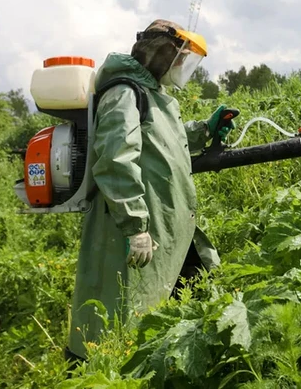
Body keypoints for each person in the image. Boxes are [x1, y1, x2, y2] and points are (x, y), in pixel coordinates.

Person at [64, 19, 234, 367]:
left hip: (163, 223)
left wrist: (205, 129)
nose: (182, 66)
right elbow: (116, 158)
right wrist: (135, 226)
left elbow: (163, 140)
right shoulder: (125, 93)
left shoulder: (151, 94)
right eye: (181, 58)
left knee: (163, 306)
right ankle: (96, 371)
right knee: (119, 312)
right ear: (161, 52)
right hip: (132, 229)